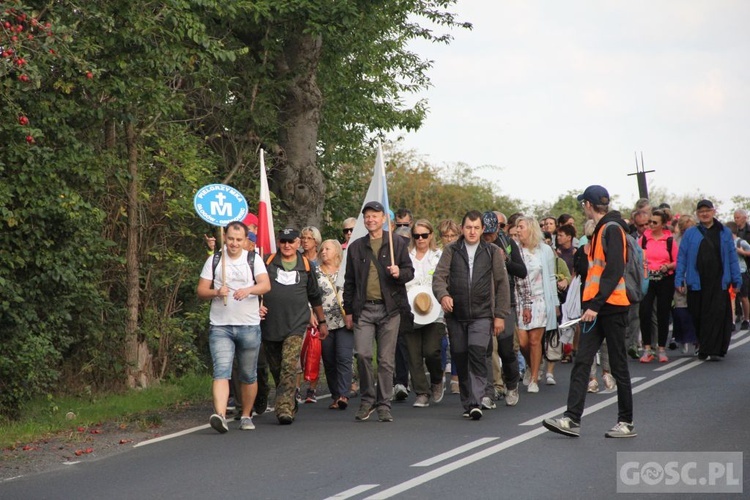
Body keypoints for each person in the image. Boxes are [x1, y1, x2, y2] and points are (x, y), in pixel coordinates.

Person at [544, 185, 636, 438]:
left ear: (588, 204)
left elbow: (615, 269)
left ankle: (626, 422)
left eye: (583, 203)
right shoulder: (600, 231)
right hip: (594, 308)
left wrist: (595, 305)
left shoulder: (613, 229)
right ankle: (571, 419)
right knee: (582, 361)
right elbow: (592, 271)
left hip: (612, 307)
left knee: (618, 366)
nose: (582, 207)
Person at [432, 210, 511, 420]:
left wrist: (500, 315)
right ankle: (468, 402)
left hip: (482, 314)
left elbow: (502, 284)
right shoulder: (451, 250)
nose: (472, 232)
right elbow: (439, 277)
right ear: (462, 228)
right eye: (468, 227)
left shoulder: (492, 251)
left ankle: (477, 401)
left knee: (477, 353)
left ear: (482, 229)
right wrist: (443, 296)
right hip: (456, 315)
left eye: (476, 228)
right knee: (461, 356)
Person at [196, 221, 271, 433]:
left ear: (245, 239)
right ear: (224, 238)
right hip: (221, 325)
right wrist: (216, 292)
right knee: (221, 371)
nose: (234, 243)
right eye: (230, 239)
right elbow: (201, 290)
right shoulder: (215, 260)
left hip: (248, 324)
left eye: (239, 239)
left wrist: (249, 290)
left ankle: (246, 415)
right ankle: (220, 415)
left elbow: (266, 285)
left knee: (248, 375)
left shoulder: (253, 259)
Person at [343, 201, 414, 422]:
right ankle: (367, 400)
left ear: (384, 218)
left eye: (375, 215)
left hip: (389, 309)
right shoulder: (356, 247)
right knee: (363, 354)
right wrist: (348, 310)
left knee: (385, 360)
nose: (371, 219)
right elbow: (349, 281)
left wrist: (398, 272)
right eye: (368, 216)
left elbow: (409, 272)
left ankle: (384, 404)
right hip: (363, 309)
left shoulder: (397, 243)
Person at [261, 228, 328, 425]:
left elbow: (314, 296)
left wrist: (321, 321)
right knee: (277, 368)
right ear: (278, 242)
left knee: (289, 366)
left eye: (291, 241)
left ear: (298, 243)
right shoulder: (266, 262)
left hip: (296, 324)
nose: (287, 245)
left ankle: (283, 409)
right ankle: (289, 400)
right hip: (270, 325)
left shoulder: (306, 265)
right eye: (283, 241)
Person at [675, 200, 742, 360]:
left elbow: (732, 257)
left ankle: (714, 349)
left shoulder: (724, 232)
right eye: (701, 211)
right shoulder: (691, 233)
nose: (704, 214)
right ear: (697, 214)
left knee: (718, 315)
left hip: (719, 281)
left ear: (713, 211)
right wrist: (679, 280)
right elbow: (682, 258)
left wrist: (736, 279)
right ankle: (703, 345)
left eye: (707, 210)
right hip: (697, 281)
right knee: (698, 315)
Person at [484, 211, 528, 408]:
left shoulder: (507, 243)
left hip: (505, 302)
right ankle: (492, 388)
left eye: (492, 233)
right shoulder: (473, 244)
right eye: (485, 233)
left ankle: (511, 384)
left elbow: (522, 271)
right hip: (482, 303)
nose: (488, 237)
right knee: (485, 348)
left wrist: (507, 261)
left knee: (505, 348)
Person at [515, 216, 558, 393]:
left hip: (540, 298)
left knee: (534, 340)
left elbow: (550, 277)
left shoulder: (545, 250)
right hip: (519, 299)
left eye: (521, 227)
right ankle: (533, 362)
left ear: (531, 229)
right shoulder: (514, 249)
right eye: (517, 227)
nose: (517, 230)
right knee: (523, 341)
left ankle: (533, 377)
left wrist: (554, 302)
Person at [405, 219, 445, 408]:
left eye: (424, 235)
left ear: (431, 235)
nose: (420, 239)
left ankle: (437, 379)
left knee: (431, 351)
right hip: (411, 311)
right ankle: (421, 392)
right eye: (416, 235)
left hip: (435, 310)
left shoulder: (440, 255)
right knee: (413, 354)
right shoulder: (405, 256)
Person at [316, 239, 354, 410]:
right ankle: (335, 395)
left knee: (344, 357)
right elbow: (311, 296)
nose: (324, 251)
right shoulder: (315, 273)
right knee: (329, 360)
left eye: (328, 249)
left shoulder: (346, 272)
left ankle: (344, 394)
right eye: (322, 249)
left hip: (344, 321)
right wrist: (313, 316)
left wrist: (353, 314)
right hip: (324, 322)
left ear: (338, 252)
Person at [638, 209, 678, 363]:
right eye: (650, 222)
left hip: (664, 278)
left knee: (663, 312)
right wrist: (643, 266)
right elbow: (636, 257)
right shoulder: (643, 239)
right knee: (645, 311)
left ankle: (661, 348)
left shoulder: (669, 240)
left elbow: (677, 261)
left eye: (655, 222)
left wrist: (667, 266)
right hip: (648, 278)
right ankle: (647, 348)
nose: (651, 225)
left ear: (663, 224)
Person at [437, 219, 460, 394]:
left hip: (457, 301)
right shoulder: (437, 254)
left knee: (456, 342)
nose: (450, 239)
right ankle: (440, 376)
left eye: (453, 235)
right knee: (442, 342)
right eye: (446, 236)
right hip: (438, 303)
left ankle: (456, 378)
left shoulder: (461, 253)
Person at [733, 209, 750, 330]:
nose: (736, 220)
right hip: (737, 267)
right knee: (736, 294)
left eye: (738, 217)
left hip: (746, 265)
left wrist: (742, 252)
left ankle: (746, 317)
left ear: (745, 217)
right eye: (735, 217)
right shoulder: (734, 232)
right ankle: (738, 314)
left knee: (745, 294)